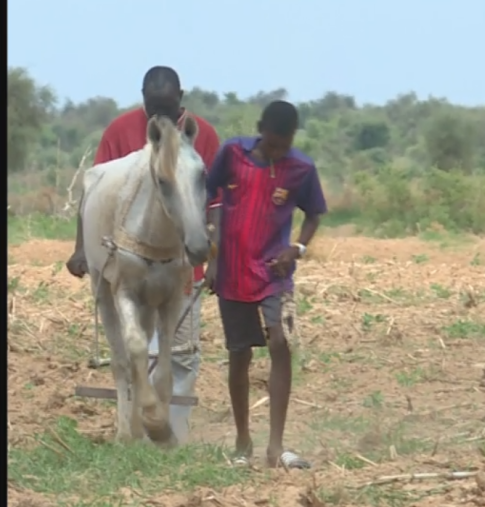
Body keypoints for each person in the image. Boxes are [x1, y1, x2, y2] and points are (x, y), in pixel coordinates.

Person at [66, 65, 220, 444]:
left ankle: (173, 436)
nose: (160, 115)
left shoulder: (204, 138)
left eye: (167, 107)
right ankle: (132, 427)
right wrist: (81, 248)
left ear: (181, 99)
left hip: (181, 264)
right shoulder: (120, 132)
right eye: (153, 106)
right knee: (134, 350)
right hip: (128, 262)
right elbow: (95, 188)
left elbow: (212, 199)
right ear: (143, 98)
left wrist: (214, 255)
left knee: (180, 353)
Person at [204, 100, 326, 470]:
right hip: (233, 271)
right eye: (272, 144)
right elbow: (208, 198)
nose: (277, 152)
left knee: (280, 343)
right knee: (240, 354)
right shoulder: (232, 154)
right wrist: (211, 257)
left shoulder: (301, 168)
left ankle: (276, 446)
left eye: (284, 144)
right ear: (261, 131)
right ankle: (243, 442)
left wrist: (297, 248)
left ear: (292, 138)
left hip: (276, 272)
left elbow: (314, 212)